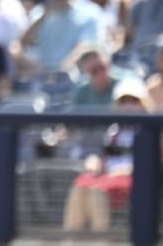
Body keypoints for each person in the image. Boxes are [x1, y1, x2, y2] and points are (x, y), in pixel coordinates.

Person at [62, 78, 151, 232]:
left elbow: (147, 165)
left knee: (96, 190)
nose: (128, 106)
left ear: (143, 104)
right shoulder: (114, 131)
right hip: (109, 179)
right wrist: (95, 161)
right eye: (124, 101)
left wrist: (119, 172)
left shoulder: (150, 131)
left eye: (134, 101)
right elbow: (106, 158)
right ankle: (71, 241)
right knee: (81, 185)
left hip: (135, 183)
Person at [19, 0, 104, 74]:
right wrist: (46, 14)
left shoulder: (90, 13)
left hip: (77, 83)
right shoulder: (38, 14)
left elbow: (85, 48)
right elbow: (21, 45)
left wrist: (61, 72)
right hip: (44, 82)